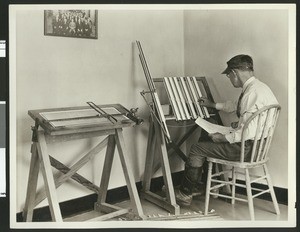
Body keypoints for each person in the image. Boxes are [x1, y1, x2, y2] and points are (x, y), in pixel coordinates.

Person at [175, 54, 279, 206]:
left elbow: (248, 132)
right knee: (207, 129)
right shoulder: (259, 88)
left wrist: (223, 138)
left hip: (247, 148)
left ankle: (185, 193)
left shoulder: (251, 93)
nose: (229, 79)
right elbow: (237, 106)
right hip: (259, 147)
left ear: (234, 73)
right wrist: (213, 105)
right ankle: (201, 184)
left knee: (196, 149)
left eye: (229, 75)